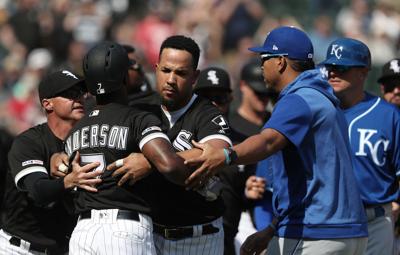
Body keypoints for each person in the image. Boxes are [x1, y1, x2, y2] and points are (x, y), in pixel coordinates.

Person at [185, 26, 368, 255]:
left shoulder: (299, 98)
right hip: (344, 230)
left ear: (280, 62)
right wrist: (272, 229)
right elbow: (311, 179)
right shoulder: (321, 96)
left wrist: (226, 155)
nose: (261, 65)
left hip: (317, 231)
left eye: (265, 58)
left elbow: (268, 141)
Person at [108, 35, 232, 255]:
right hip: (147, 236)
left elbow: (212, 153)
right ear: (155, 69)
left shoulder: (206, 112)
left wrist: (150, 161)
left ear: (195, 76)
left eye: (181, 73)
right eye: (166, 70)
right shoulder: (140, 110)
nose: (171, 80)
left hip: (197, 237)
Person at [66, 41, 192, 255]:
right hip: (124, 229)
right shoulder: (138, 118)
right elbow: (170, 166)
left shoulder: (76, 129)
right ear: (124, 77)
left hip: (83, 231)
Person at [0, 70, 101, 254]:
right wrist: (68, 181)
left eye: (81, 93)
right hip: (20, 247)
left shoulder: (86, 141)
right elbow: (38, 191)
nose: (78, 99)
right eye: (70, 94)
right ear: (48, 104)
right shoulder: (29, 142)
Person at [320, 38, 400, 255]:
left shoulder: (389, 115)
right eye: (330, 67)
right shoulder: (317, 111)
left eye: (342, 67)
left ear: (363, 72)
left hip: (375, 223)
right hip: (328, 222)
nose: (333, 73)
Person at [194, 66, 250, 255]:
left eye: (219, 98)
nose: (213, 104)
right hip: (185, 235)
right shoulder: (181, 136)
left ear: (231, 98)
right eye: (206, 98)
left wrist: (253, 191)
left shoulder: (245, 142)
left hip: (226, 238)